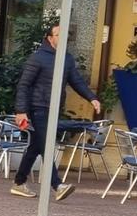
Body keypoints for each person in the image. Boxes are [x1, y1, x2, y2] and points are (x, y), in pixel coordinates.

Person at [12, 25, 102, 202]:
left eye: (65, 35)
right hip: (38, 107)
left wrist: (92, 98)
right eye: (58, 34)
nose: (63, 38)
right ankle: (57, 186)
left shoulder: (66, 59)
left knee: (36, 146)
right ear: (50, 38)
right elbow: (24, 85)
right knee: (46, 146)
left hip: (53, 109)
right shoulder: (38, 58)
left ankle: (19, 183)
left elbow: (76, 81)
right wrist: (21, 111)